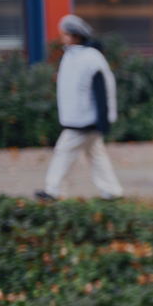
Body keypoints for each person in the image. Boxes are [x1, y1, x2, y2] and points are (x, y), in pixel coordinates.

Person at [36, 14, 123, 202]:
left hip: (86, 119)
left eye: (66, 33)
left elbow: (100, 90)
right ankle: (113, 191)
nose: (62, 36)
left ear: (76, 36)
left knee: (64, 151)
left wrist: (101, 120)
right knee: (96, 155)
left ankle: (53, 190)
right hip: (82, 117)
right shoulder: (71, 56)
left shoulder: (90, 58)